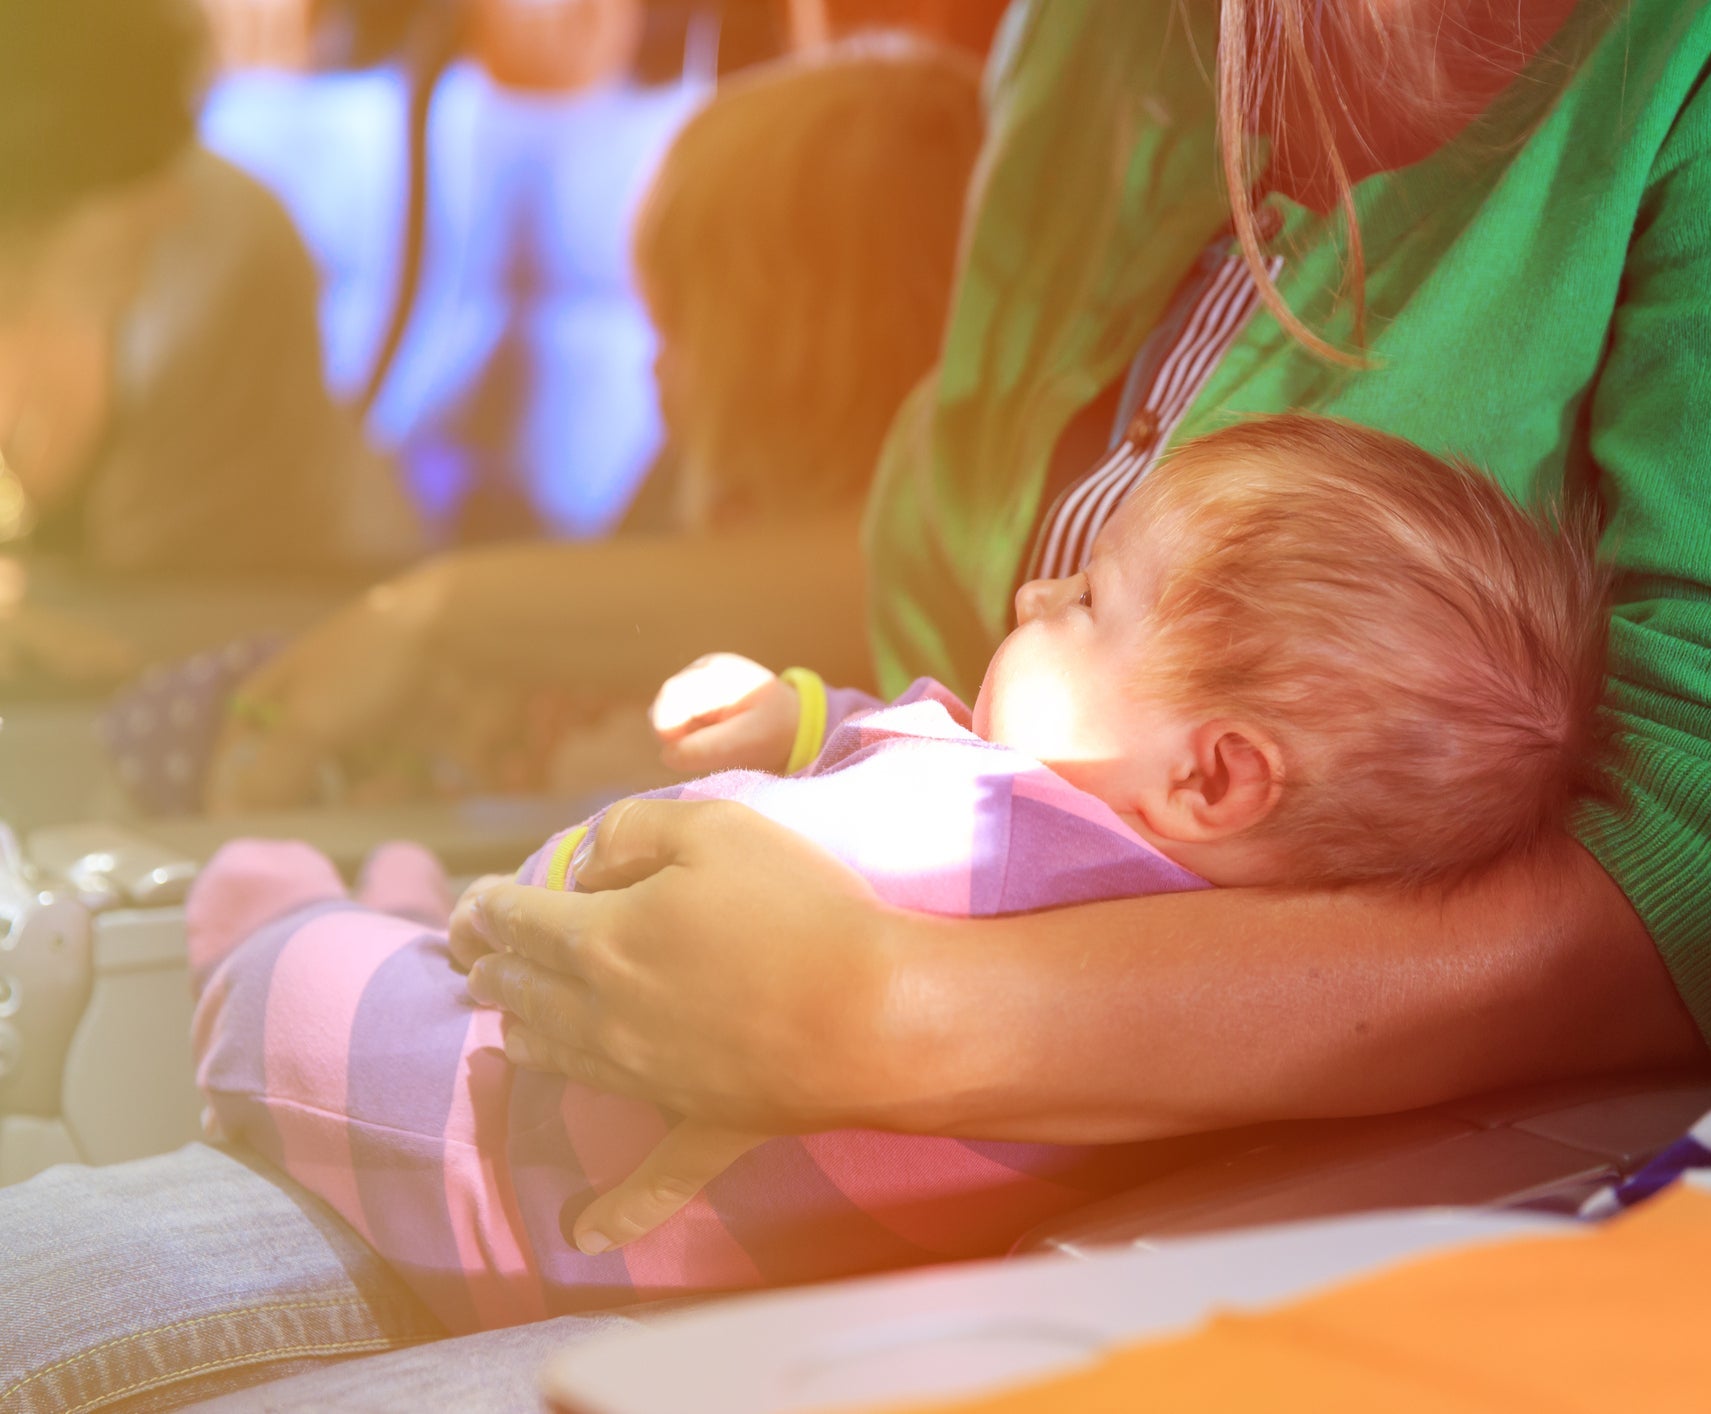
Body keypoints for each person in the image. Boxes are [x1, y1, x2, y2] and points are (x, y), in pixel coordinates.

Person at [0, 0, 1711, 1406]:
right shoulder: (1112, 41)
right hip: (857, 1005)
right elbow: (990, 593)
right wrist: (465, 612)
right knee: (57, 1272)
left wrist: (909, 1019)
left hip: (1338, 1131)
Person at [185, 415, 1612, 1330]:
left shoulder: (972, 844)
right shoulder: (1183, 927)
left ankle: (281, 912)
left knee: (295, 957)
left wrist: (563, 867)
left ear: (1215, 772)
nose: (1034, 596)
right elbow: (927, 750)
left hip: (489, 1169)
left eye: (1091, 600)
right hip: (696, 1255)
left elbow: (647, 882)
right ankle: (379, 898)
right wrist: (806, 718)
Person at [202, 32, 986, 808]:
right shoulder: (708, 526)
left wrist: (437, 616)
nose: (652, 371)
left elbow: (863, 585)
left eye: (679, 334)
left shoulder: (922, 580)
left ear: (804, 361)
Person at [0, 0, 416, 588]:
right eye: (130, 170)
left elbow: (213, 609)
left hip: (298, 614)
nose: (171, 205)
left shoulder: (227, 259)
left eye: (172, 150)